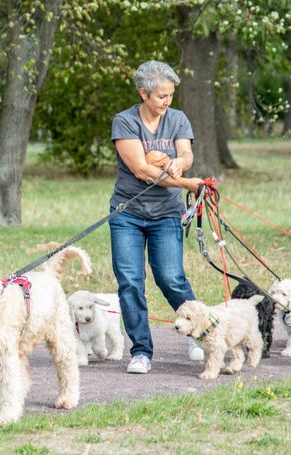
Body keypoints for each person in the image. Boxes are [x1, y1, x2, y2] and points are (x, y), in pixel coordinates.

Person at [108, 60, 205, 374]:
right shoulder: (124, 121)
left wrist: (180, 161)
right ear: (143, 93)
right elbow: (141, 169)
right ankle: (141, 351)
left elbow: (187, 154)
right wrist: (185, 182)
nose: (167, 101)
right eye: (161, 96)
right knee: (130, 282)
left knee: (171, 277)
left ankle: (197, 332)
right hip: (128, 215)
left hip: (166, 214)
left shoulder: (177, 118)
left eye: (171, 95)